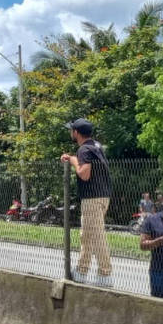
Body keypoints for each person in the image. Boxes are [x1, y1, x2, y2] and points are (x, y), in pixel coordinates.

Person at [61, 119, 113, 286]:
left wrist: (74, 160)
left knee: (97, 236)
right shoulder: (96, 146)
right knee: (87, 235)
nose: (71, 133)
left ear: (76, 132)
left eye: (72, 130)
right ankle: (82, 270)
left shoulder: (84, 149)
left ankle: (105, 274)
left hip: (91, 198)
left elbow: (84, 174)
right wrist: (72, 157)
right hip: (103, 196)